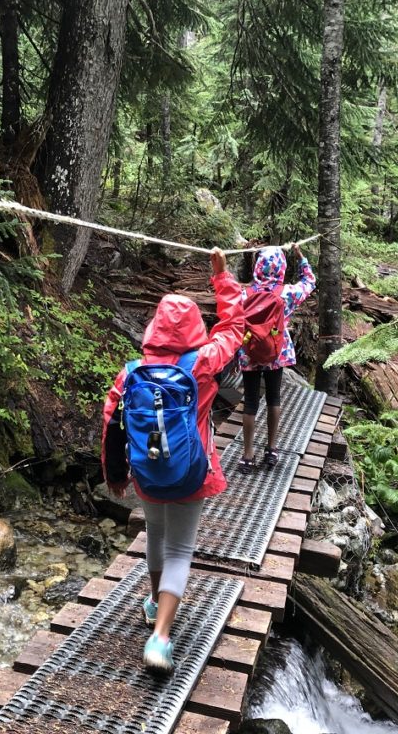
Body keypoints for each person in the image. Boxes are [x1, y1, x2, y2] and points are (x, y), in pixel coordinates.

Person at [101, 247, 244, 673]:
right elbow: (235, 327)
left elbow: (112, 421)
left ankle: (152, 601)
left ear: (154, 327)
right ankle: (160, 638)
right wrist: (222, 278)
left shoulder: (133, 372)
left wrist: (115, 475)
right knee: (181, 548)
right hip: (192, 472)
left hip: (147, 473)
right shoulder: (202, 362)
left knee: (155, 536)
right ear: (195, 327)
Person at [236, 243, 316, 474]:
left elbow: (224, 300)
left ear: (258, 268)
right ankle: (271, 449)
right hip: (276, 351)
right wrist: (300, 256)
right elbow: (310, 281)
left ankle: (248, 455)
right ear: (281, 268)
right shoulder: (287, 294)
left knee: (250, 400)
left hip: (249, 351)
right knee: (274, 398)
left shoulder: (244, 294)